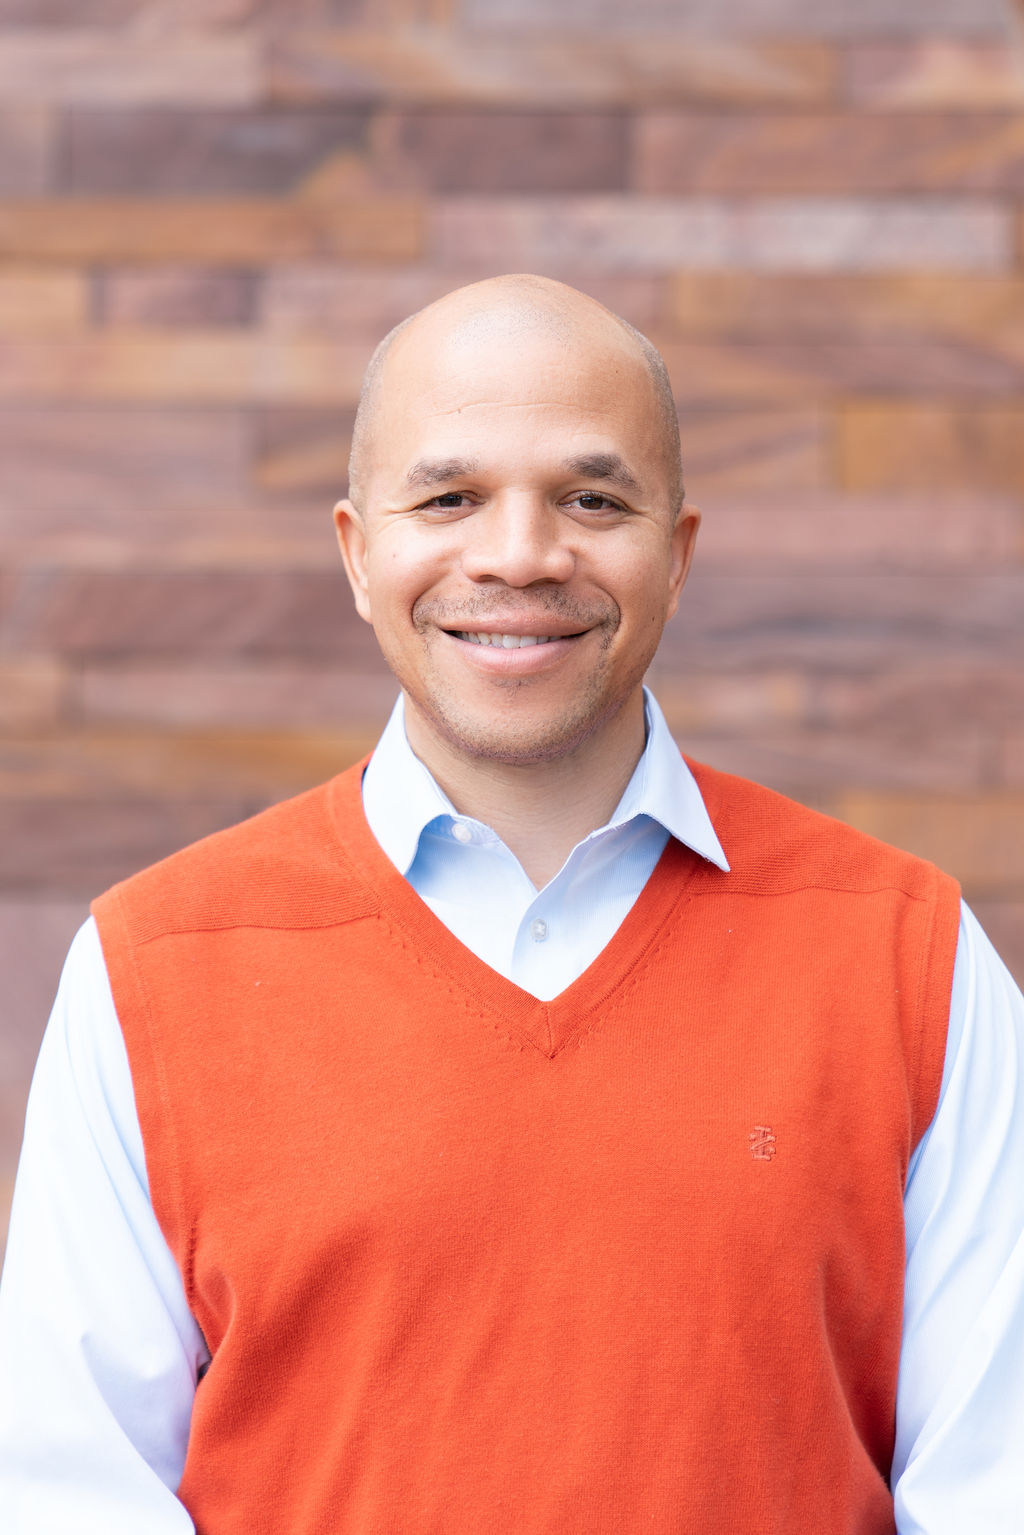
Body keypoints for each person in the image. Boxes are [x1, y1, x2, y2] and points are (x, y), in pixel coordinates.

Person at [1, 274, 1022, 1534]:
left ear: (676, 555)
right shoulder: (155, 965)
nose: (520, 555)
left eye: (592, 499)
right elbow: (72, 1496)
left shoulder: (908, 956)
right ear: (357, 551)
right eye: (449, 498)